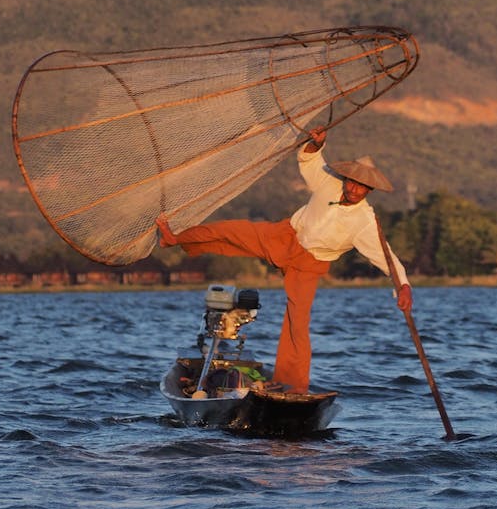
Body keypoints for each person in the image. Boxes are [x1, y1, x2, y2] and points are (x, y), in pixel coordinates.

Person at [156, 127, 413, 394]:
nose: (354, 189)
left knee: (297, 323)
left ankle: (292, 387)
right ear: (346, 179)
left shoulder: (365, 221)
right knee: (230, 232)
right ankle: (175, 239)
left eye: (362, 186)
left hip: (309, 264)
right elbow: (310, 162)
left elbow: (387, 258)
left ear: (369, 190)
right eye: (352, 182)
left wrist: (403, 286)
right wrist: (317, 145)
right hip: (284, 236)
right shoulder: (330, 183)